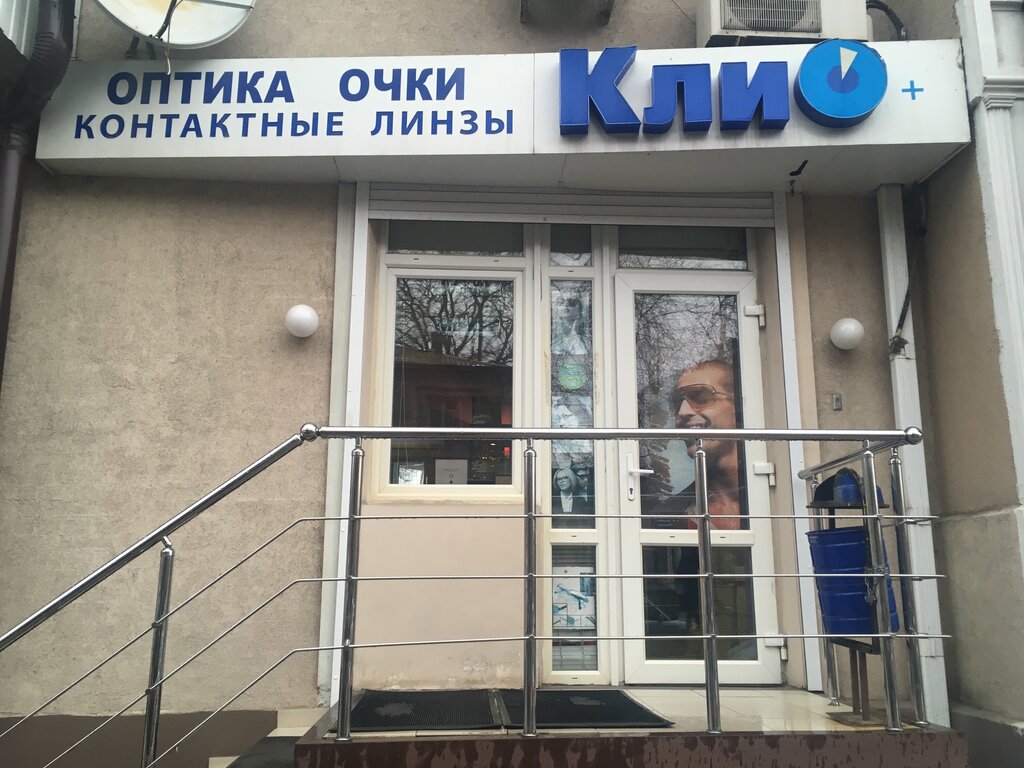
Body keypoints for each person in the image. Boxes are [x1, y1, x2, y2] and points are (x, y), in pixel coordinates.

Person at [647, 358, 744, 531]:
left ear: (736, 407)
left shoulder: (775, 500)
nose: (682, 412)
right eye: (677, 404)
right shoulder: (669, 516)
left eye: (701, 397)